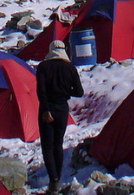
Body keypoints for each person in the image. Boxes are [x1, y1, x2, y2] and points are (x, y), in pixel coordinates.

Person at [36, 39, 83, 194]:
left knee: (47, 146)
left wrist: (45, 109)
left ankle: (53, 180)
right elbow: (79, 92)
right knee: (58, 144)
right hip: (62, 108)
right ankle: (58, 178)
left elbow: (41, 91)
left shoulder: (43, 67)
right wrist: (63, 92)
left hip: (47, 108)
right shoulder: (70, 68)